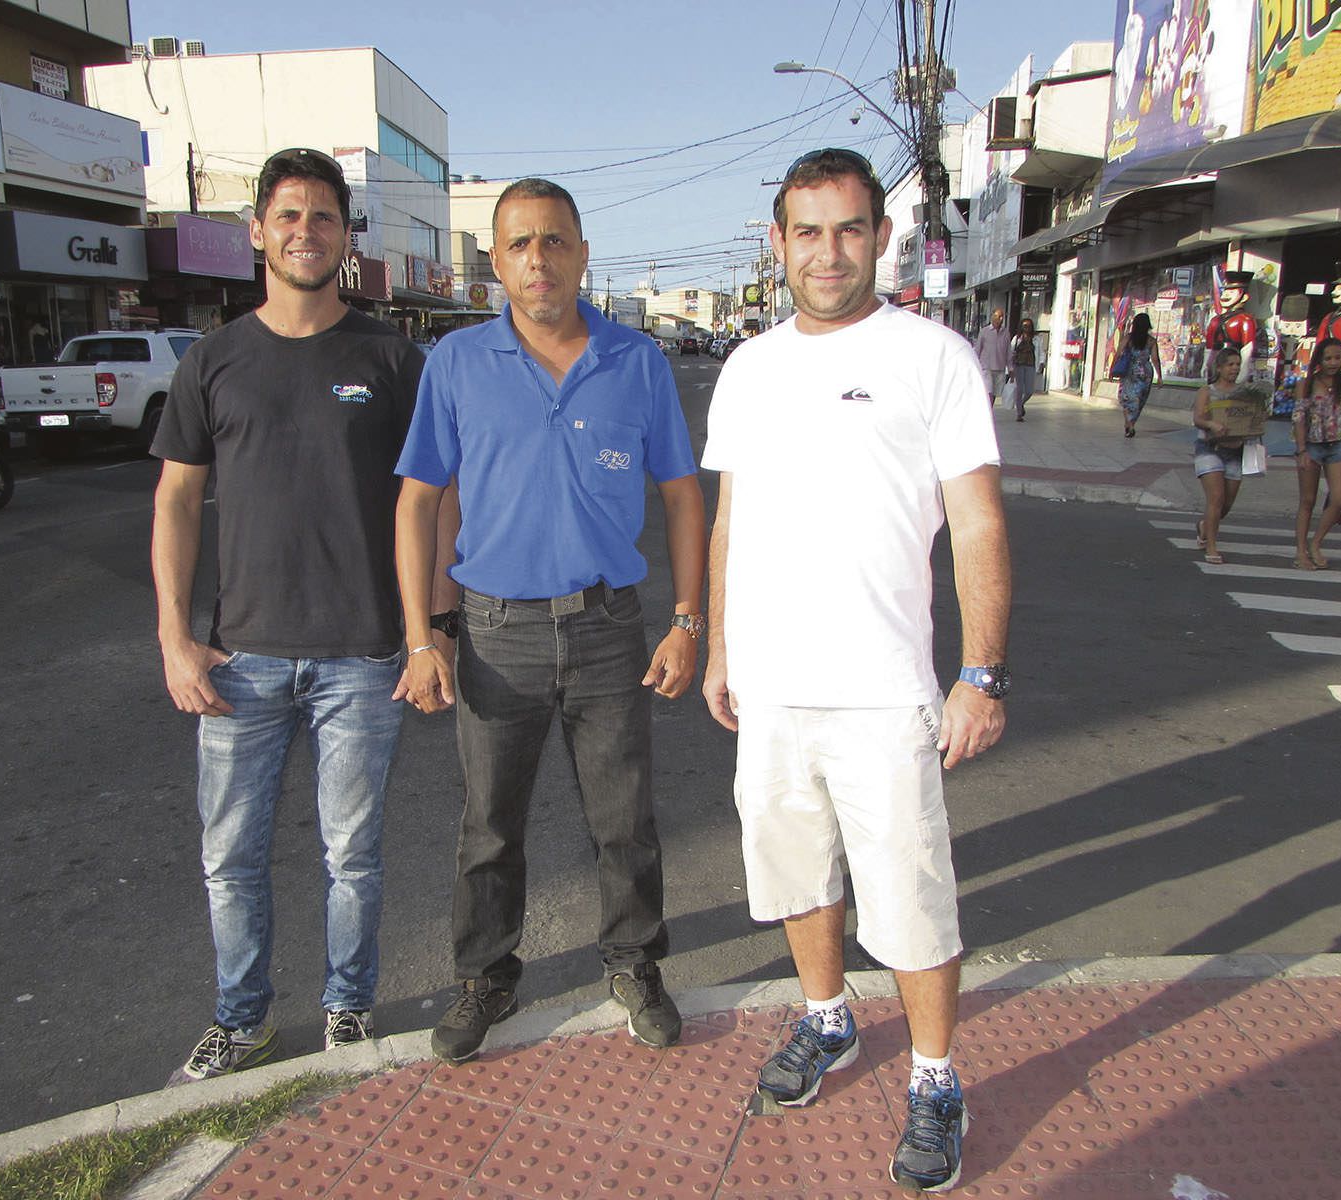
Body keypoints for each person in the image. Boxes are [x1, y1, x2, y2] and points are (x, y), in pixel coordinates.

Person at [702, 147, 1011, 1194]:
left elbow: (977, 523)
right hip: (772, 690)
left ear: (880, 236)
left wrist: (981, 673)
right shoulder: (748, 368)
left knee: (910, 899)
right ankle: (827, 1018)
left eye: (847, 230)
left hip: (884, 693)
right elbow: (731, 518)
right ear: (778, 243)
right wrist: (721, 646)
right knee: (795, 876)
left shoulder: (934, 357)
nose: (826, 252)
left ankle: (935, 1078)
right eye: (807, 231)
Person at [394, 177, 706, 1066]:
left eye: (556, 240)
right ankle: (484, 977)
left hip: (609, 629)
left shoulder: (636, 361)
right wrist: (422, 638)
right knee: (489, 826)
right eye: (520, 244)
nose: (540, 259)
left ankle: (635, 964)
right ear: (496, 262)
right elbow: (417, 503)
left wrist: (688, 622)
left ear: (582, 253)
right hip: (496, 636)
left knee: (625, 818)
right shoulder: (456, 363)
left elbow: (682, 496)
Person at [152, 147, 439, 1085]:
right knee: (229, 858)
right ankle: (241, 1022)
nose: (305, 232)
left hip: (365, 655)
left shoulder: (393, 359)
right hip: (240, 661)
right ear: (257, 232)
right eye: (288, 216)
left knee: (352, 855)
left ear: (347, 236)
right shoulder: (213, 359)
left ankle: (347, 1010)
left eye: (323, 217)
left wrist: (429, 632)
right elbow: (174, 501)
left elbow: (433, 500)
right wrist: (175, 638)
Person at [1191, 347, 1261, 565]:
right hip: (1209, 448)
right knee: (1216, 497)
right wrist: (1211, 424)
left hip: (1235, 450)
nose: (1235, 368)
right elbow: (1198, 418)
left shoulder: (1245, 393)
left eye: (1237, 364)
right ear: (1219, 367)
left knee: (1226, 504)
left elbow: (1254, 418)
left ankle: (1205, 526)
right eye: (1230, 364)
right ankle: (1211, 546)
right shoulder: (1207, 391)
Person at [1291, 336, 1341, 571]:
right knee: (1307, 501)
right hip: (1312, 446)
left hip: (1338, 445)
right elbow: (1299, 418)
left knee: (1339, 499)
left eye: (1337, 358)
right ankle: (1301, 552)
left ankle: (1316, 543)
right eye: (1328, 358)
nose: (1333, 363)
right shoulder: (1306, 384)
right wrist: (1301, 450)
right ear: (1319, 359)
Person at [1112, 311, 1161, 437]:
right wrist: (1159, 376)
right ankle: (1131, 424)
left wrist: (1113, 367)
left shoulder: (1128, 338)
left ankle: (1129, 423)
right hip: (1145, 372)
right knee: (1139, 400)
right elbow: (1155, 359)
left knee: (1126, 398)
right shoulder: (1151, 341)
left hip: (1130, 370)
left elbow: (1118, 353)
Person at [973, 308, 1011, 404]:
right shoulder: (984, 331)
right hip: (987, 367)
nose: (1000, 319)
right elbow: (978, 349)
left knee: (995, 393)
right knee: (988, 391)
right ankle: (987, 410)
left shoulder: (1006, 333)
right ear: (992, 317)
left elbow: (1008, 352)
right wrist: (975, 364)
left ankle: (990, 409)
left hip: (1000, 368)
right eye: (998, 316)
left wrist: (1011, 368)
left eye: (1002, 317)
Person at [1011, 317, 1038, 421]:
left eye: (1029, 326)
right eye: (1025, 326)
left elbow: (1040, 352)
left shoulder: (1036, 339)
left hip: (1030, 365)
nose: (1027, 328)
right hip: (1019, 365)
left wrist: (1041, 363)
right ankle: (1019, 413)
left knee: (1029, 391)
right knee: (1019, 389)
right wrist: (1010, 368)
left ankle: (1021, 403)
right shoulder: (1017, 338)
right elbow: (1011, 351)